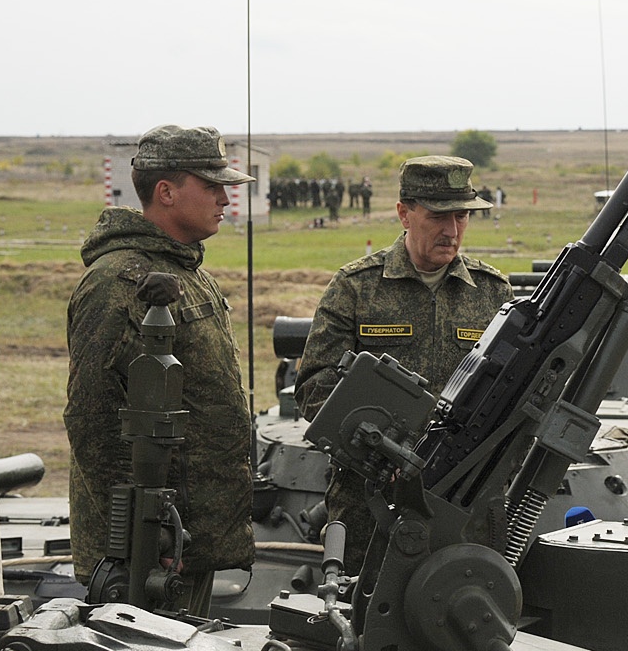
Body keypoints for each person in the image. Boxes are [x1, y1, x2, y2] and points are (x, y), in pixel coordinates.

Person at [63, 124, 256, 616]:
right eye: (211, 186)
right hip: (148, 554)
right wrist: (140, 536)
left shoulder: (185, 273)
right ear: (166, 192)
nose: (224, 198)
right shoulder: (119, 281)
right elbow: (94, 420)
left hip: (186, 539)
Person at [296, 155, 512, 573]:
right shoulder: (356, 288)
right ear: (404, 214)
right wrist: (392, 452)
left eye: (462, 216)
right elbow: (314, 388)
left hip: (464, 510)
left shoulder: (492, 295)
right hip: (370, 510)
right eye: (438, 216)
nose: (452, 231)